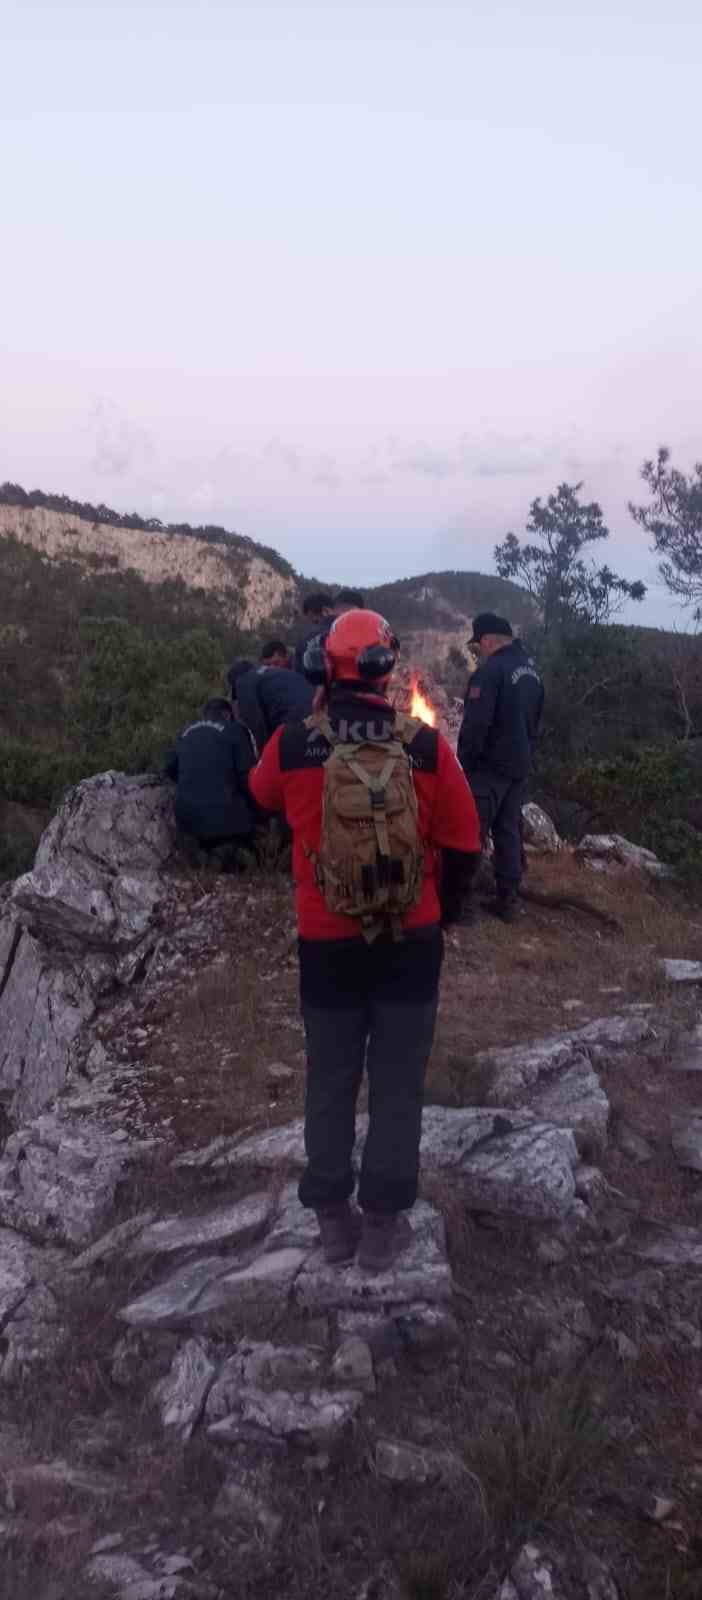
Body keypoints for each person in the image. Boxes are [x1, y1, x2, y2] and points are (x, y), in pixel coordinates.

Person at [249, 610, 481, 1274]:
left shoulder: (294, 742)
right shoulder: (426, 746)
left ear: (325, 668)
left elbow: (260, 794)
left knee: (329, 1078)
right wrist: (447, 913)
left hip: (327, 943)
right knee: (398, 1081)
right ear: (387, 670)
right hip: (411, 939)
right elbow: (466, 842)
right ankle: (382, 1227)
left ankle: (331, 1220)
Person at [457, 613, 544, 923]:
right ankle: (508, 899)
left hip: (488, 769)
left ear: (488, 640)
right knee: (508, 831)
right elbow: (535, 722)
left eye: (478, 646)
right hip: (519, 766)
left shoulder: (490, 672)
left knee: (471, 831)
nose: (479, 652)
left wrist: (464, 765)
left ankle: (462, 902)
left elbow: (476, 725)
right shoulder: (531, 672)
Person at [165, 697, 257, 867]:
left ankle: (204, 855)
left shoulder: (185, 732)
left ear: (204, 715)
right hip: (227, 821)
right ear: (228, 715)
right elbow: (249, 776)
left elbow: (169, 769)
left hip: (188, 820)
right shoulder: (236, 730)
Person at [229, 642, 314, 755]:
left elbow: (256, 724)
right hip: (319, 719)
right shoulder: (278, 675)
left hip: (295, 725)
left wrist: (262, 756)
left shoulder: (244, 682)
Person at [294, 592, 335, 675]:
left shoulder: (307, 641)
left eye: (316, 622)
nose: (314, 628)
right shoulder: (355, 631)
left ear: (325, 611)